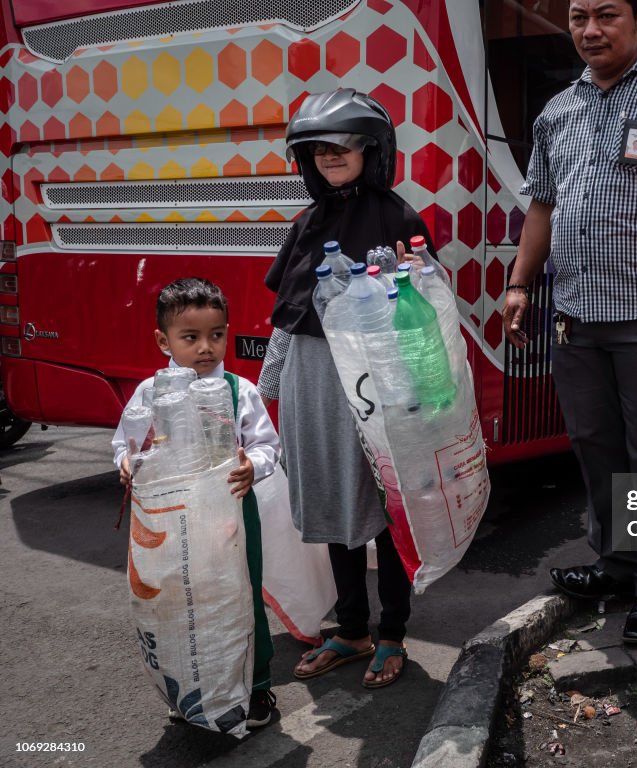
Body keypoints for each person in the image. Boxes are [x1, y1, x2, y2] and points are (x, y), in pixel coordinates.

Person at [502, 0, 637, 645]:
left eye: (606, 15)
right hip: (576, 316)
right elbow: (541, 205)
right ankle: (617, 565)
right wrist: (520, 284)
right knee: (594, 447)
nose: (590, 31)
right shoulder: (557, 111)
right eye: (578, 17)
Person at [259, 88, 435, 688]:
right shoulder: (308, 222)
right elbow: (289, 312)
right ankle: (352, 627)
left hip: (375, 383)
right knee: (333, 498)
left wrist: (416, 392)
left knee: (385, 510)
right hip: (313, 381)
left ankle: (393, 634)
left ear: (373, 150)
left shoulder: (399, 219)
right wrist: (270, 381)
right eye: (318, 149)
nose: (330, 156)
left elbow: (420, 316)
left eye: (343, 145)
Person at [112, 277, 281, 727]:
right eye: (191, 337)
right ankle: (192, 687)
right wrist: (127, 464)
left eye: (217, 335)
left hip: (231, 515)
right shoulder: (150, 392)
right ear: (162, 340)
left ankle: (257, 687)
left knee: (240, 597)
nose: (206, 347)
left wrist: (253, 467)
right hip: (173, 520)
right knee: (183, 601)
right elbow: (125, 445)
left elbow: (267, 445)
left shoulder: (238, 389)